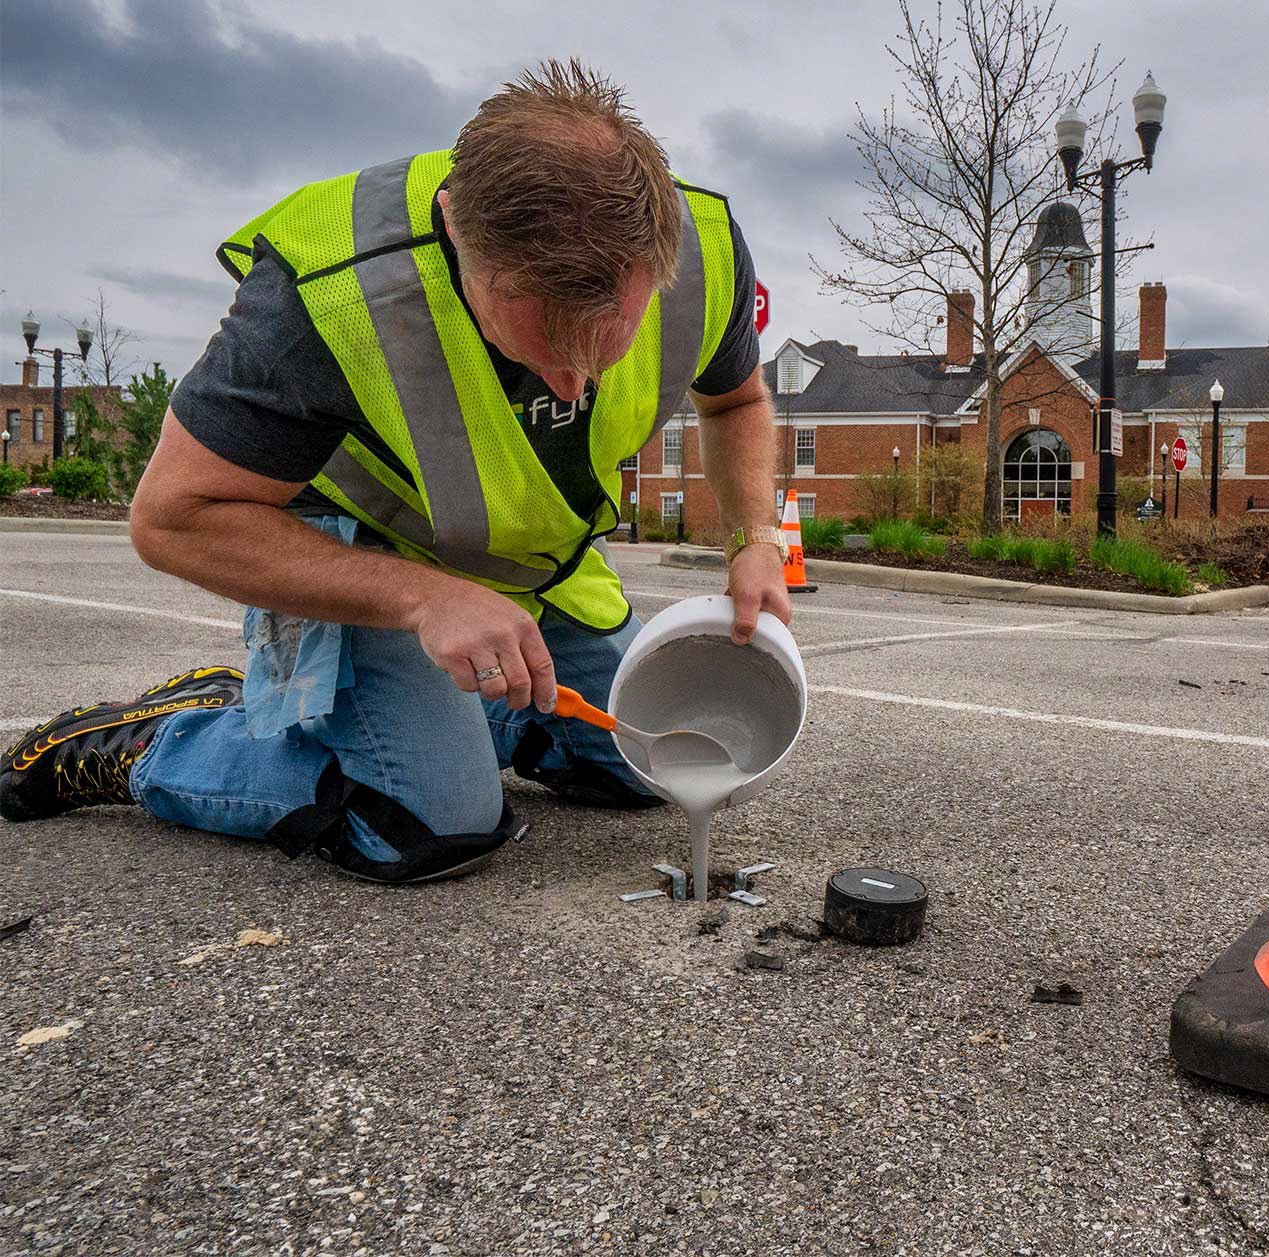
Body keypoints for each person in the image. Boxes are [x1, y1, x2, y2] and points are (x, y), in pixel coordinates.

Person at [0, 61, 790, 883]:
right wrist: (424, 597)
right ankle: (159, 740)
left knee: (643, 763)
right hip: (363, 552)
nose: (573, 388)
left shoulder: (701, 254)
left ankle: (455, 720)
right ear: (455, 226)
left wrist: (753, 538)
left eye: (604, 347)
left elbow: (734, 402)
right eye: (544, 347)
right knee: (426, 822)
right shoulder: (329, 298)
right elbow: (172, 518)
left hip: (532, 564)